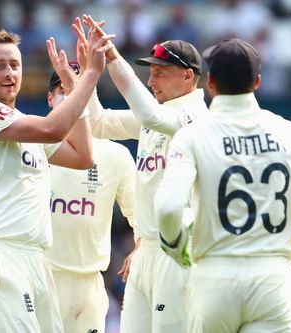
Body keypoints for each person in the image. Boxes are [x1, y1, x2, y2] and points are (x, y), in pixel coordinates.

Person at [154, 38, 291, 332]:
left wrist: (176, 247)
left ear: (209, 82)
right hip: (273, 280)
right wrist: (271, 225)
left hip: (214, 279)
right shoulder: (290, 132)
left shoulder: (192, 136)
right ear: (258, 81)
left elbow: (169, 207)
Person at [0, 29, 115, 332]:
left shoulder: (22, 124)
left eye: (14, 65)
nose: (9, 73)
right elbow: (53, 130)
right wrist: (91, 73)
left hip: (35, 257)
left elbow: (82, 157)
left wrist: (71, 83)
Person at [75, 15, 209, 333]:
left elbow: (149, 113)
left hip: (177, 251)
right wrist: (86, 78)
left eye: (160, 74)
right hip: (145, 251)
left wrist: (111, 56)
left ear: (188, 76)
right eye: (150, 74)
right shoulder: (160, 116)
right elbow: (98, 124)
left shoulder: (195, 118)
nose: (151, 82)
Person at [44, 62, 136, 333]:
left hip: (88, 284)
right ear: (50, 98)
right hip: (38, 276)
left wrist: (141, 244)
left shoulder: (116, 155)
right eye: (64, 89)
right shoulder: (31, 143)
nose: (72, 97)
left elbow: (139, 214)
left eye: (79, 90)